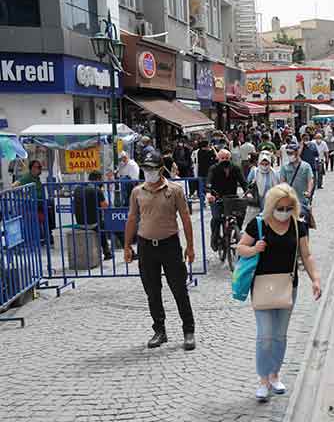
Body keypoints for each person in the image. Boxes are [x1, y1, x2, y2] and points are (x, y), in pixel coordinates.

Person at [237, 184, 322, 401]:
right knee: (265, 335)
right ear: (271, 205)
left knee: (280, 335)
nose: (283, 211)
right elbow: (240, 248)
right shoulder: (258, 225)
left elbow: (307, 255)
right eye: (280, 207)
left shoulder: (297, 226)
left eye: (288, 207)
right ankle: (263, 380)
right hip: (262, 285)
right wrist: (255, 249)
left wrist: (316, 280)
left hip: (287, 286)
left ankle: (275, 375)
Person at [124, 150, 196, 351]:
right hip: (146, 245)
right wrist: (127, 245)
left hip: (170, 244)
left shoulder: (174, 190)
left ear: (161, 169)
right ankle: (159, 330)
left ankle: (188, 330)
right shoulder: (137, 191)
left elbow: (185, 218)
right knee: (152, 291)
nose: (149, 172)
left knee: (179, 289)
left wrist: (190, 247)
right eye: (146, 168)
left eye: (153, 168)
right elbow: (132, 218)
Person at [206, 149, 248, 250]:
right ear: (218, 158)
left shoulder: (236, 168)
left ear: (230, 158)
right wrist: (208, 193)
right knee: (216, 218)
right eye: (222, 158)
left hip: (232, 197)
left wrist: (248, 192)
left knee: (241, 214)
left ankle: (236, 234)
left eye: (227, 158)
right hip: (217, 197)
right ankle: (214, 238)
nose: (225, 160)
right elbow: (209, 182)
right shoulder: (213, 168)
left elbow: (243, 182)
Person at [73, 170, 112, 260]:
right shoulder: (97, 190)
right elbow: (105, 207)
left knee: (100, 223)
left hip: (79, 223)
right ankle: (107, 252)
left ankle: (106, 251)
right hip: (92, 224)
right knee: (111, 224)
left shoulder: (78, 189)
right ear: (98, 179)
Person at [14, 159, 53, 244]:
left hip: (39, 204)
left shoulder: (37, 178)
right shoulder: (27, 177)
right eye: (36, 167)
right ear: (31, 168)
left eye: (39, 167)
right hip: (31, 205)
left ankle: (49, 236)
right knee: (49, 211)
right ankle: (48, 237)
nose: (37, 169)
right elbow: (15, 186)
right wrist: (24, 195)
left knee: (52, 208)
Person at [280, 144, 314, 217]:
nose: (289, 155)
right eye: (288, 153)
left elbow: (310, 180)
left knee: (303, 223)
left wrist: (308, 191)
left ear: (297, 152)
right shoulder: (284, 167)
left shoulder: (306, 166)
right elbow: (282, 181)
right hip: (290, 200)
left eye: (291, 153)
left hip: (303, 200)